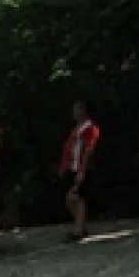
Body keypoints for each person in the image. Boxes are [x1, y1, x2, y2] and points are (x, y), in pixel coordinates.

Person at [59, 99, 100, 240]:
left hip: (83, 167)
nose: (73, 112)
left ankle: (79, 231)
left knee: (77, 197)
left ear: (83, 110)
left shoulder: (90, 127)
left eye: (76, 109)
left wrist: (82, 170)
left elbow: (88, 149)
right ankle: (81, 226)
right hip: (72, 167)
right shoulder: (77, 128)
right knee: (69, 199)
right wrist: (63, 167)